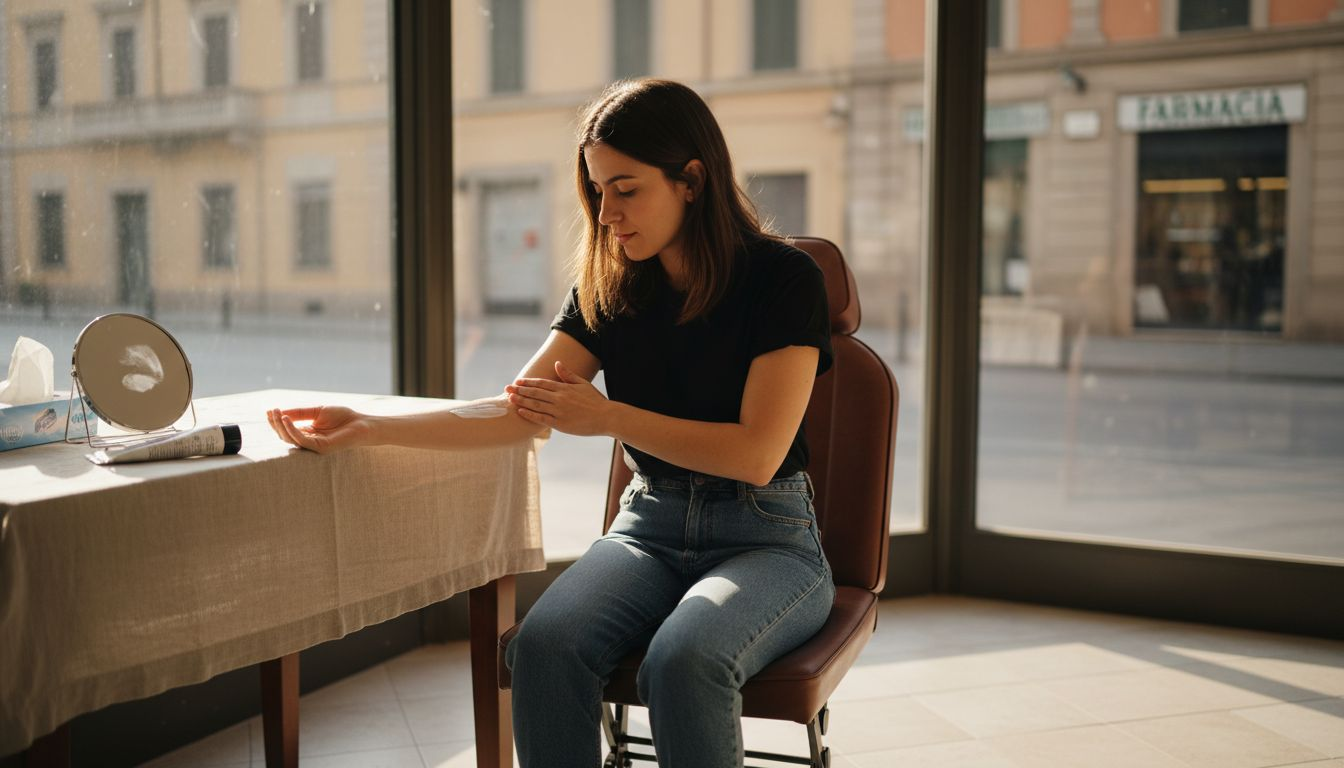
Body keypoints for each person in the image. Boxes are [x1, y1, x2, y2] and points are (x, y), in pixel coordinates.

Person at [266, 78, 834, 768]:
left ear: (691, 180)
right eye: (597, 191)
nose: (606, 214)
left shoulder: (783, 279)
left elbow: (757, 454)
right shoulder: (614, 287)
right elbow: (517, 412)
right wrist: (372, 425)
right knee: (541, 647)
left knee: (684, 663)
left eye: (626, 190)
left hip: (767, 539)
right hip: (651, 528)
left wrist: (609, 417)